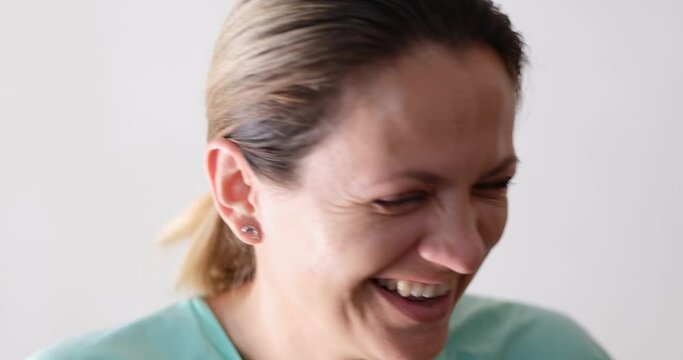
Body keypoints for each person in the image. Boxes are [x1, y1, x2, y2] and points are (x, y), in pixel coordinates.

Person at [31, 0, 611, 359]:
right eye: (399, 198)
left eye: (492, 185)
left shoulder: (550, 351)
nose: (464, 252)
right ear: (239, 190)